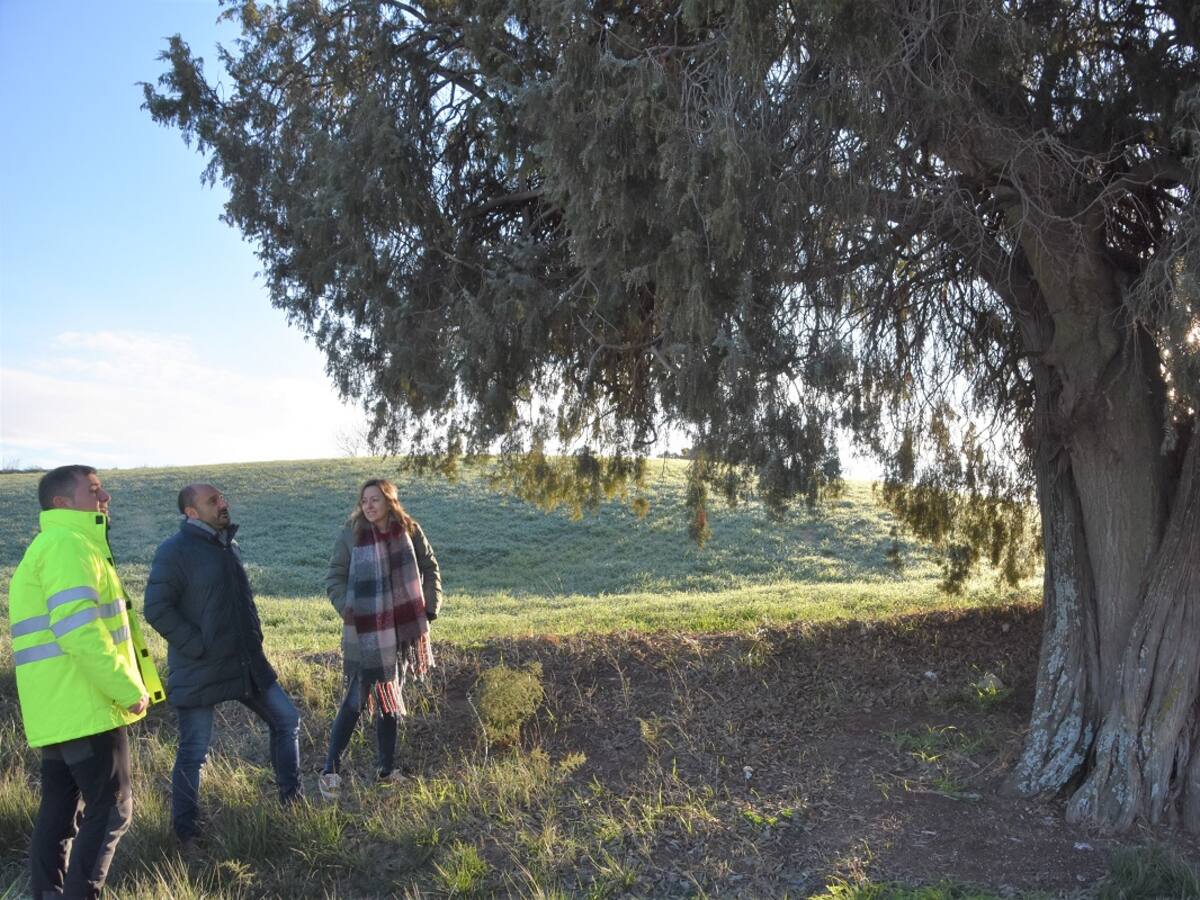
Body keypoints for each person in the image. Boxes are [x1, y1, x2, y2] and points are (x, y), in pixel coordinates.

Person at [7, 465, 164, 900]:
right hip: (85, 705)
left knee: (58, 815)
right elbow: (79, 629)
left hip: (61, 709)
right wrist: (124, 687)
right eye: (94, 490)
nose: (105, 496)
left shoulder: (53, 545)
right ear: (62, 502)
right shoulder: (68, 545)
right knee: (113, 810)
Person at [143, 483, 302, 849]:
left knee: (287, 720)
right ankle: (186, 834)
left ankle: (292, 805)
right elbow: (156, 608)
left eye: (223, 497)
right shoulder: (175, 550)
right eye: (213, 501)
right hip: (199, 666)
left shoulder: (227, 546)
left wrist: (256, 637)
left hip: (245, 661)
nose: (223, 503)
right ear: (191, 512)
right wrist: (198, 646)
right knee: (194, 751)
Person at [318, 478, 441, 799]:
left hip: (402, 630)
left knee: (390, 697)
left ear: (389, 501)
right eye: (364, 500)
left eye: (375, 499)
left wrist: (427, 610)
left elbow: (429, 566)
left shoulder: (410, 530)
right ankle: (330, 770)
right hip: (365, 631)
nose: (369, 506)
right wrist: (349, 608)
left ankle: (386, 770)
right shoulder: (351, 534)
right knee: (355, 700)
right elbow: (334, 577)